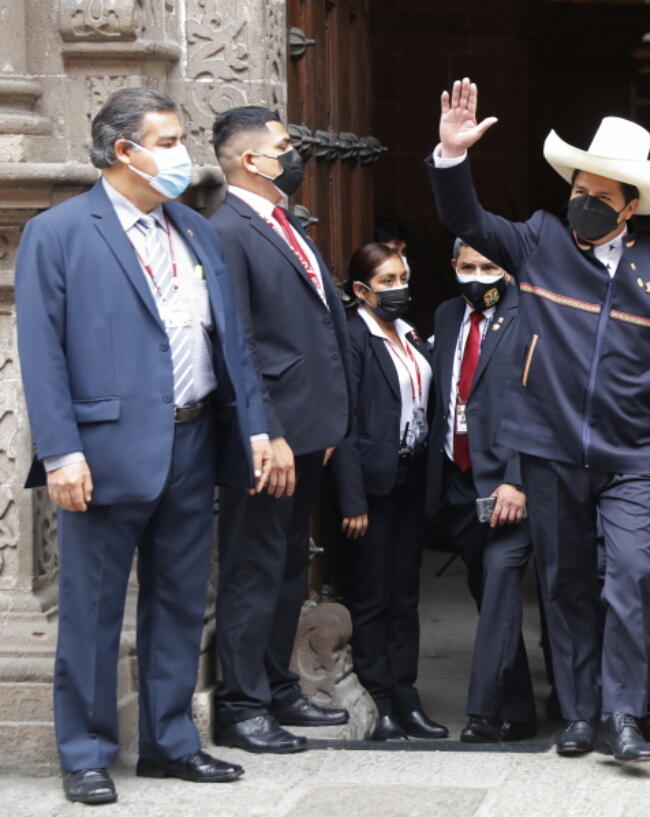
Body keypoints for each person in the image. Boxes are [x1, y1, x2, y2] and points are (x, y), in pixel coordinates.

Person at [426, 79, 650, 763]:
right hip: (548, 448)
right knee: (566, 583)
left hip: (634, 452)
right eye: (578, 188)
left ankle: (624, 715)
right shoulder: (540, 240)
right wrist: (452, 156)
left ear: (631, 208)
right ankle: (580, 715)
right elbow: (469, 221)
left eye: (600, 197)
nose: (581, 202)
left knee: (633, 575)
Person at [15, 87, 269, 804]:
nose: (181, 154)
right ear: (123, 150)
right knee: (92, 608)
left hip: (192, 440)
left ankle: (169, 740)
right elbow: (42, 353)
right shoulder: (60, 233)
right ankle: (86, 751)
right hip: (101, 453)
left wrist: (252, 425)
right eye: (167, 140)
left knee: (181, 600)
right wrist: (62, 453)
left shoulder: (193, 228)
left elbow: (229, 336)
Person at [209, 106, 353, 753]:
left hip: (309, 428)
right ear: (250, 160)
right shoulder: (228, 230)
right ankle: (241, 706)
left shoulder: (284, 222)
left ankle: (275, 683)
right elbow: (234, 339)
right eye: (285, 145)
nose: (295, 155)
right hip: (270, 439)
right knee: (254, 566)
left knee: (290, 564)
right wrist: (264, 427)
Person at [330, 243, 443, 741]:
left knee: (404, 594)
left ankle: (407, 695)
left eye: (402, 278)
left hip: (412, 480)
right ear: (361, 290)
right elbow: (345, 422)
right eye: (387, 282)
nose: (399, 289)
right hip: (372, 487)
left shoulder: (410, 334)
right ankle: (379, 700)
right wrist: (351, 499)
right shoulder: (355, 337)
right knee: (373, 596)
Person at [425, 239, 536, 743]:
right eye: (467, 266)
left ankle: (484, 713)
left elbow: (539, 400)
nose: (477, 275)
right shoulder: (449, 315)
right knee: (487, 591)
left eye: (488, 266)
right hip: (457, 477)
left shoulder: (531, 312)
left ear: (507, 271)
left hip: (511, 481)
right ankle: (518, 710)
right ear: (452, 267)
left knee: (500, 583)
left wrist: (516, 477)